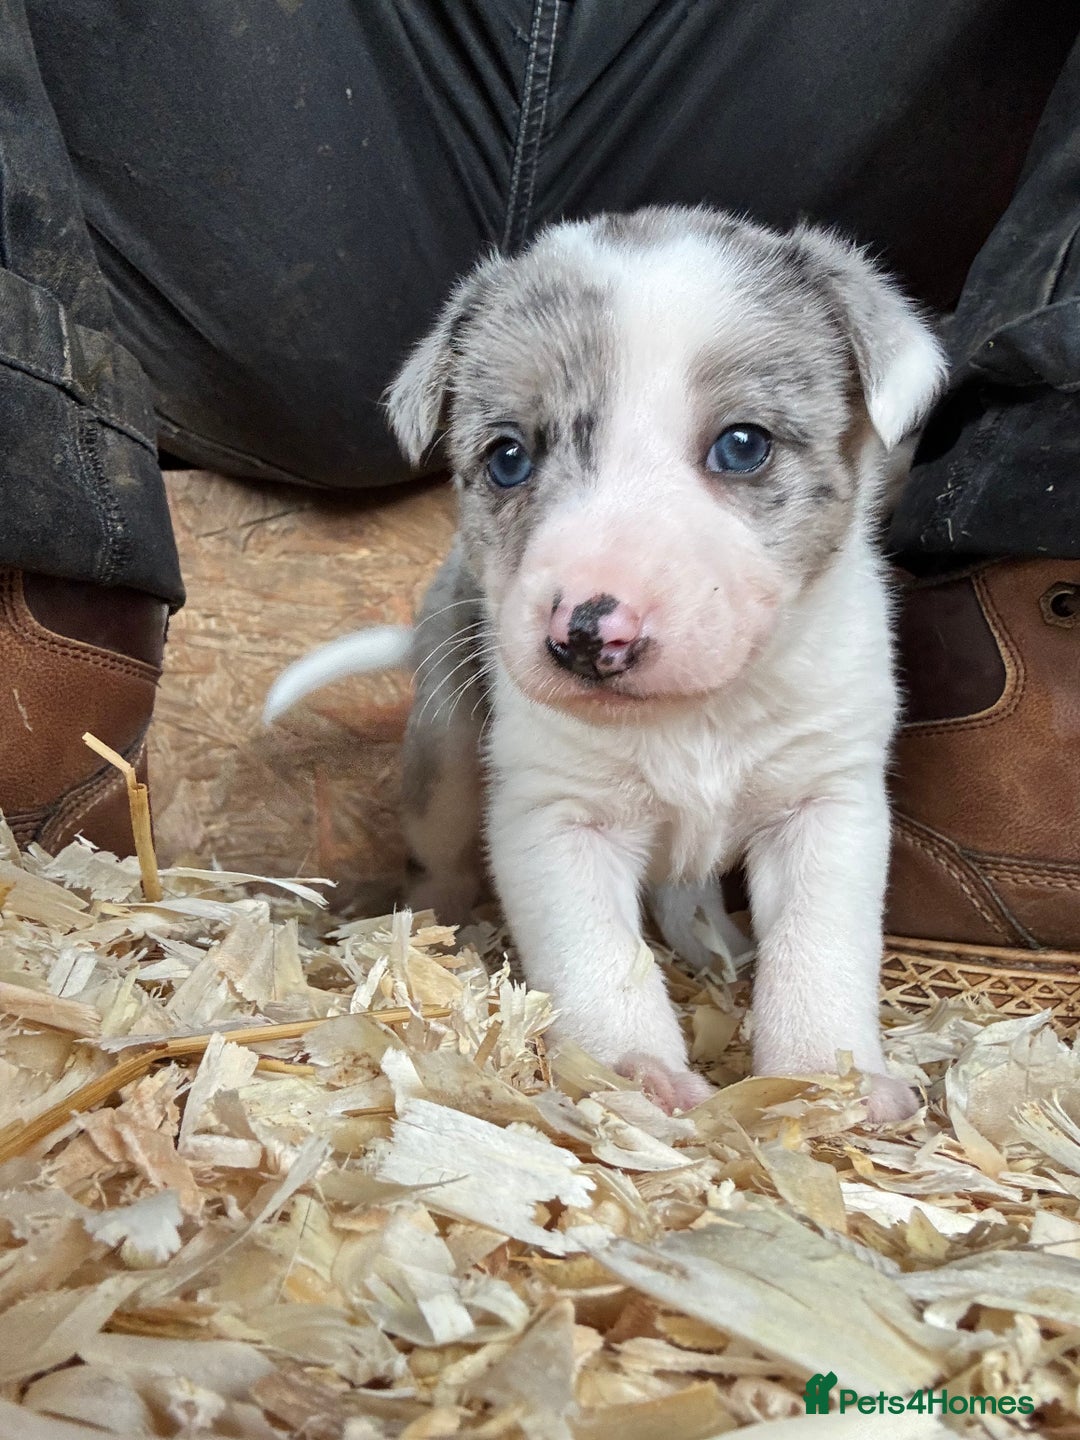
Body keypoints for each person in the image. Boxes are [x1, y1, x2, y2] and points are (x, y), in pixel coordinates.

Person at [2, 0, 1077, 958]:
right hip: (329, 153)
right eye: (509, 462)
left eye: (739, 447)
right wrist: (442, 902)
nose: (594, 612)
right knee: (474, 768)